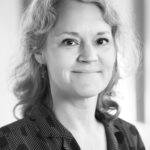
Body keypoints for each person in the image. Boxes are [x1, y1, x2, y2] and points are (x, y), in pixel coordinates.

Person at [0, 0, 145, 149]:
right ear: (38, 51)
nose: (89, 56)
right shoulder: (9, 142)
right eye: (70, 42)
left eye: (101, 41)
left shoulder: (129, 137)